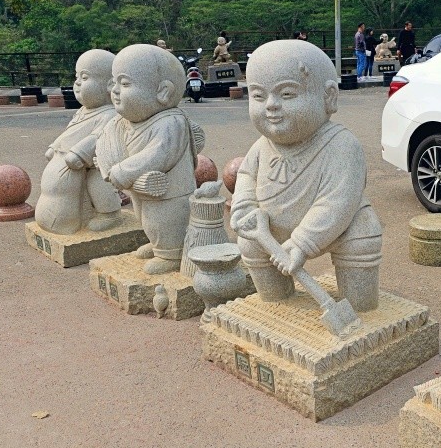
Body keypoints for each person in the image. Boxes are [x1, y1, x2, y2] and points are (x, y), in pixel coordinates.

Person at [231, 40, 383, 312]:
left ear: (328, 97)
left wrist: (302, 242)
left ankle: (360, 304)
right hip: (270, 232)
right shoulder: (262, 146)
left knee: (362, 234)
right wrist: (244, 206)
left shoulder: (342, 146)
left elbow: (337, 201)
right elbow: (245, 175)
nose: (271, 106)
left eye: (287, 94)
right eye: (258, 95)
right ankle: (278, 302)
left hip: (339, 230)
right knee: (251, 244)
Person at [96, 44, 203, 275]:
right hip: (142, 188)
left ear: (163, 92)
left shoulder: (171, 122)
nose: (115, 91)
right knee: (144, 216)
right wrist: (109, 166)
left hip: (171, 191)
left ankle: (171, 253)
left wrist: (123, 171)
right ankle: (158, 246)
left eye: (124, 84)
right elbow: (106, 144)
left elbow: (158, 154)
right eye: (114, 83)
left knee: (164, 220)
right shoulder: (122, 122)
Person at [35, 49, 122, 235]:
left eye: (84, 77)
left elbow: (98, 137)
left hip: (95, 163)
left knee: (98, 181)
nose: (77, 83)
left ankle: (109, 214)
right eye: (77, 77)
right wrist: (54, 146)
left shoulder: (110, 114)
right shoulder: (83, 111)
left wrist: (80, 153)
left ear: (109, 85)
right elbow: (71, 131)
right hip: (69, 161)